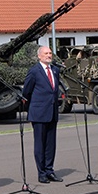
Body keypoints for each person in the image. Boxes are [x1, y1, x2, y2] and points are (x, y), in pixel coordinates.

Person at [22, 45, 63, 184]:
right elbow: (26, 92)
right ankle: (42, 173)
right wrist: (33, 107)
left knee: (51, 144)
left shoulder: (55, 70)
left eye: (50, 53)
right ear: (39, 56)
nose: (49, 55)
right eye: (46, 53)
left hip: (52, 112)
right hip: (39, 112)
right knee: (40, 143)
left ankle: (50, 170)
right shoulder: (34, 71)